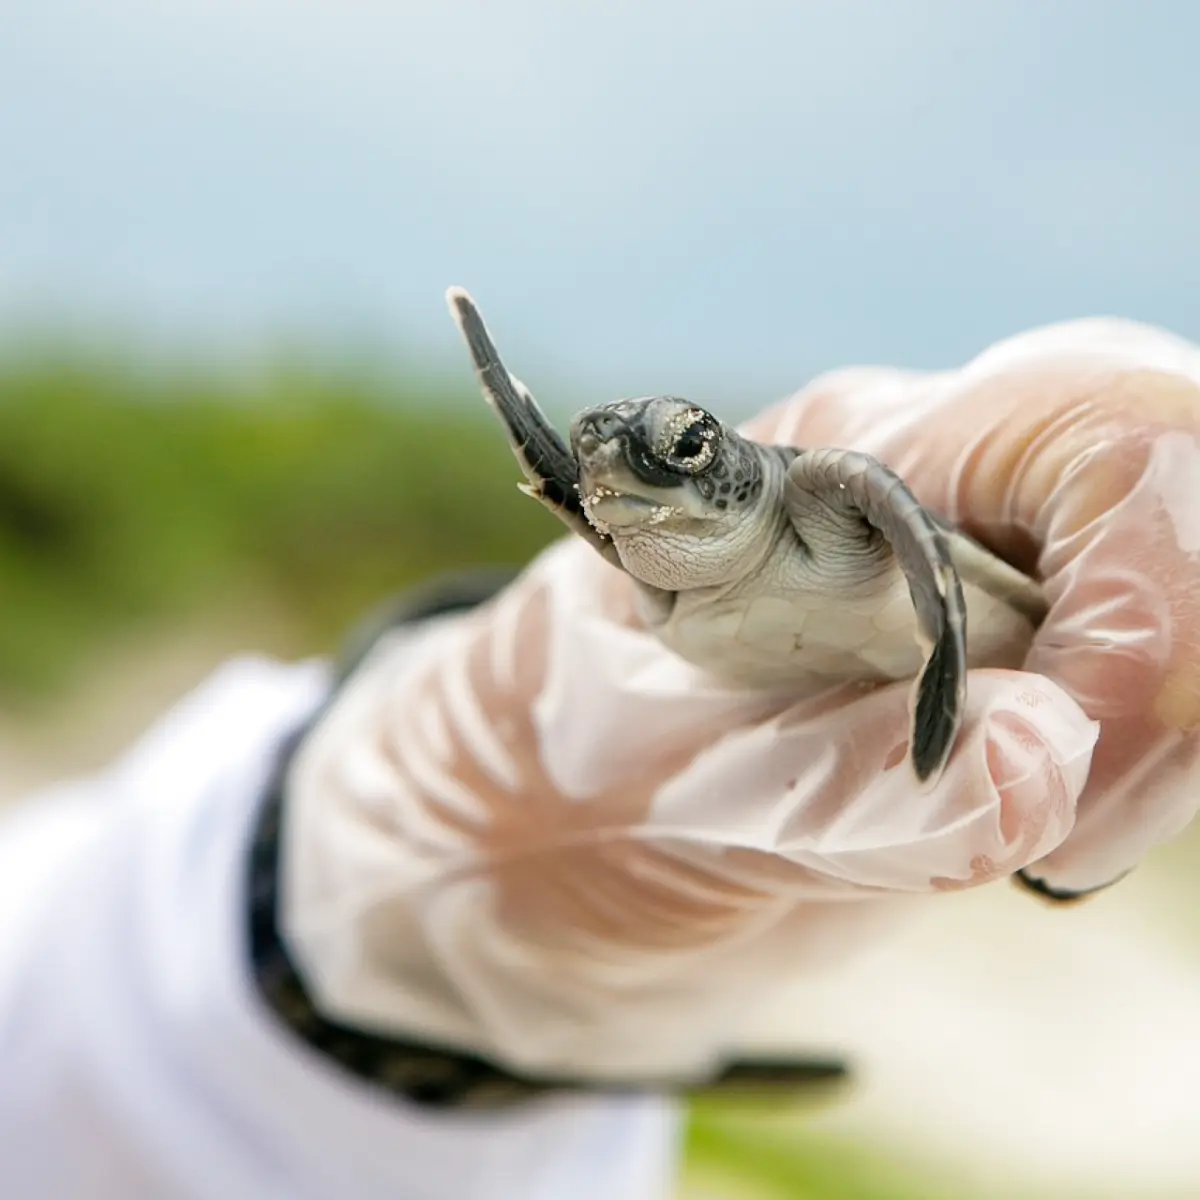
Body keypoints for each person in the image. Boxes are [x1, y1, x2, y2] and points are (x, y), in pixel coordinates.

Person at [1, 314, 1197, 1199]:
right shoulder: (635, 549)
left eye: (678, 441)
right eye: (600, 466)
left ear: (725, 454)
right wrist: (351, 860)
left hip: (957, 633)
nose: (629, 466)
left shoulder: (824, 491)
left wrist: (946, 671)